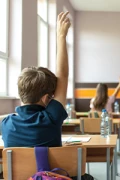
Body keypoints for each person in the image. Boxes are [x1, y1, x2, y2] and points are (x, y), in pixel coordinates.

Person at [2, 12, 71, 148]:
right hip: (50, 170)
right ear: (46, 98)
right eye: (51, 97)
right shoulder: (51, 118)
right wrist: (61, 36)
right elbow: (62, 76)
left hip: (17, 171)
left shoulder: (6, 124)